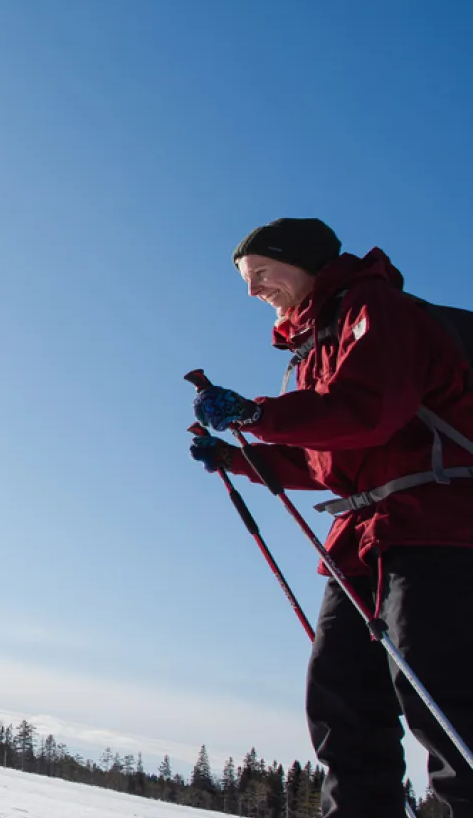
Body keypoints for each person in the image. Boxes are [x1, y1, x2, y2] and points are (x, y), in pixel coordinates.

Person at [189, 217, 473, 816]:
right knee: (340, 693)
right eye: (247, 280)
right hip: (361, 537)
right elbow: (324, 457)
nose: (253, 290)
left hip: (437, 522)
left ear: (305, 264)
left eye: (262, 273)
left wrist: (256, 413)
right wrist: (238, 455)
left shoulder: (376, 309)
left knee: (438, 694)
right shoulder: (309, 348)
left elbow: (368, 409)